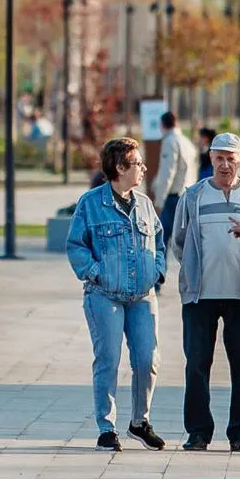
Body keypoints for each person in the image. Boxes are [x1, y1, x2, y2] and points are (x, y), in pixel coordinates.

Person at [66, 136, 168, 452]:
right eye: (138, 163)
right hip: (104, 295)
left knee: (147, 359)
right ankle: (106, 427)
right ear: (120, 167)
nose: (144, 168)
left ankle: (140, 422)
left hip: (142, 297)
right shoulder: (91, 204)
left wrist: (157, 272)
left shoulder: (145, 204)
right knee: (108, 360)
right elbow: (75, 245)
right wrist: (95, 271)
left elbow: (160, 244)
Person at [169, 132, 240, 452]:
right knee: (197, 363)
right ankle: (198, 431)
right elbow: (179, 243)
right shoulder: (193, 195)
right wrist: (195, 271)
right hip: (201, 295)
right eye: (219, 157)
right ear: (210, 159)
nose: (225, 164)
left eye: (231, 158)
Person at [152, 111, 199, 234]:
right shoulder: (187, 142)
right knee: (184, 235)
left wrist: (159, 200)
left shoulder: (169, 142)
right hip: (187, 193)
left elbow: (167, 172)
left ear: (163, 125)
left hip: (173, 196)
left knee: (162, 234)